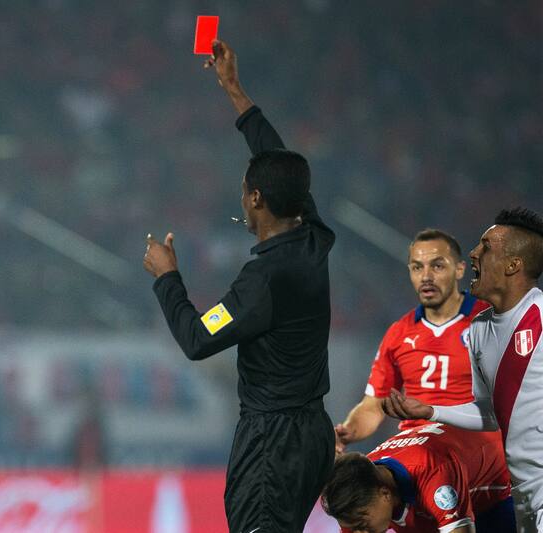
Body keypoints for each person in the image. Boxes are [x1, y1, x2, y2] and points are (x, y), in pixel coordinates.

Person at [143, 40, 335, 532]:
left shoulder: (263, 280)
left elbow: (198, 338)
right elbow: (277, 160)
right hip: (312, 430)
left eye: (244, 188)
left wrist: (168, 278)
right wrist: (234, 90)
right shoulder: (312, 238)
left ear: (254, 198)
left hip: (271, 441)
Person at [383, 207, 543, 532]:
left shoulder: (540, 318)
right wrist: (430, 410)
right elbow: (490, 413)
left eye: (486, 246)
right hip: (523, 495)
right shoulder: (478, 330)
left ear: (514, 265)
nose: (473, 252)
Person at [335, 229, 498, 452]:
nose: (426, 276)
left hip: (477, 447)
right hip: (416, 446)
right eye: (417, 267)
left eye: (437, 266)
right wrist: (348, 431)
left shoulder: (491, 321)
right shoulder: (399, 332)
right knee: (358, 478)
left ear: (459, 269)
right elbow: (373, 405)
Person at [322, 423, 515, 533]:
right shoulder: (362, 490)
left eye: (362, 526)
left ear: (385, 494)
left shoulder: (433, 472)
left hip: (501, 485)